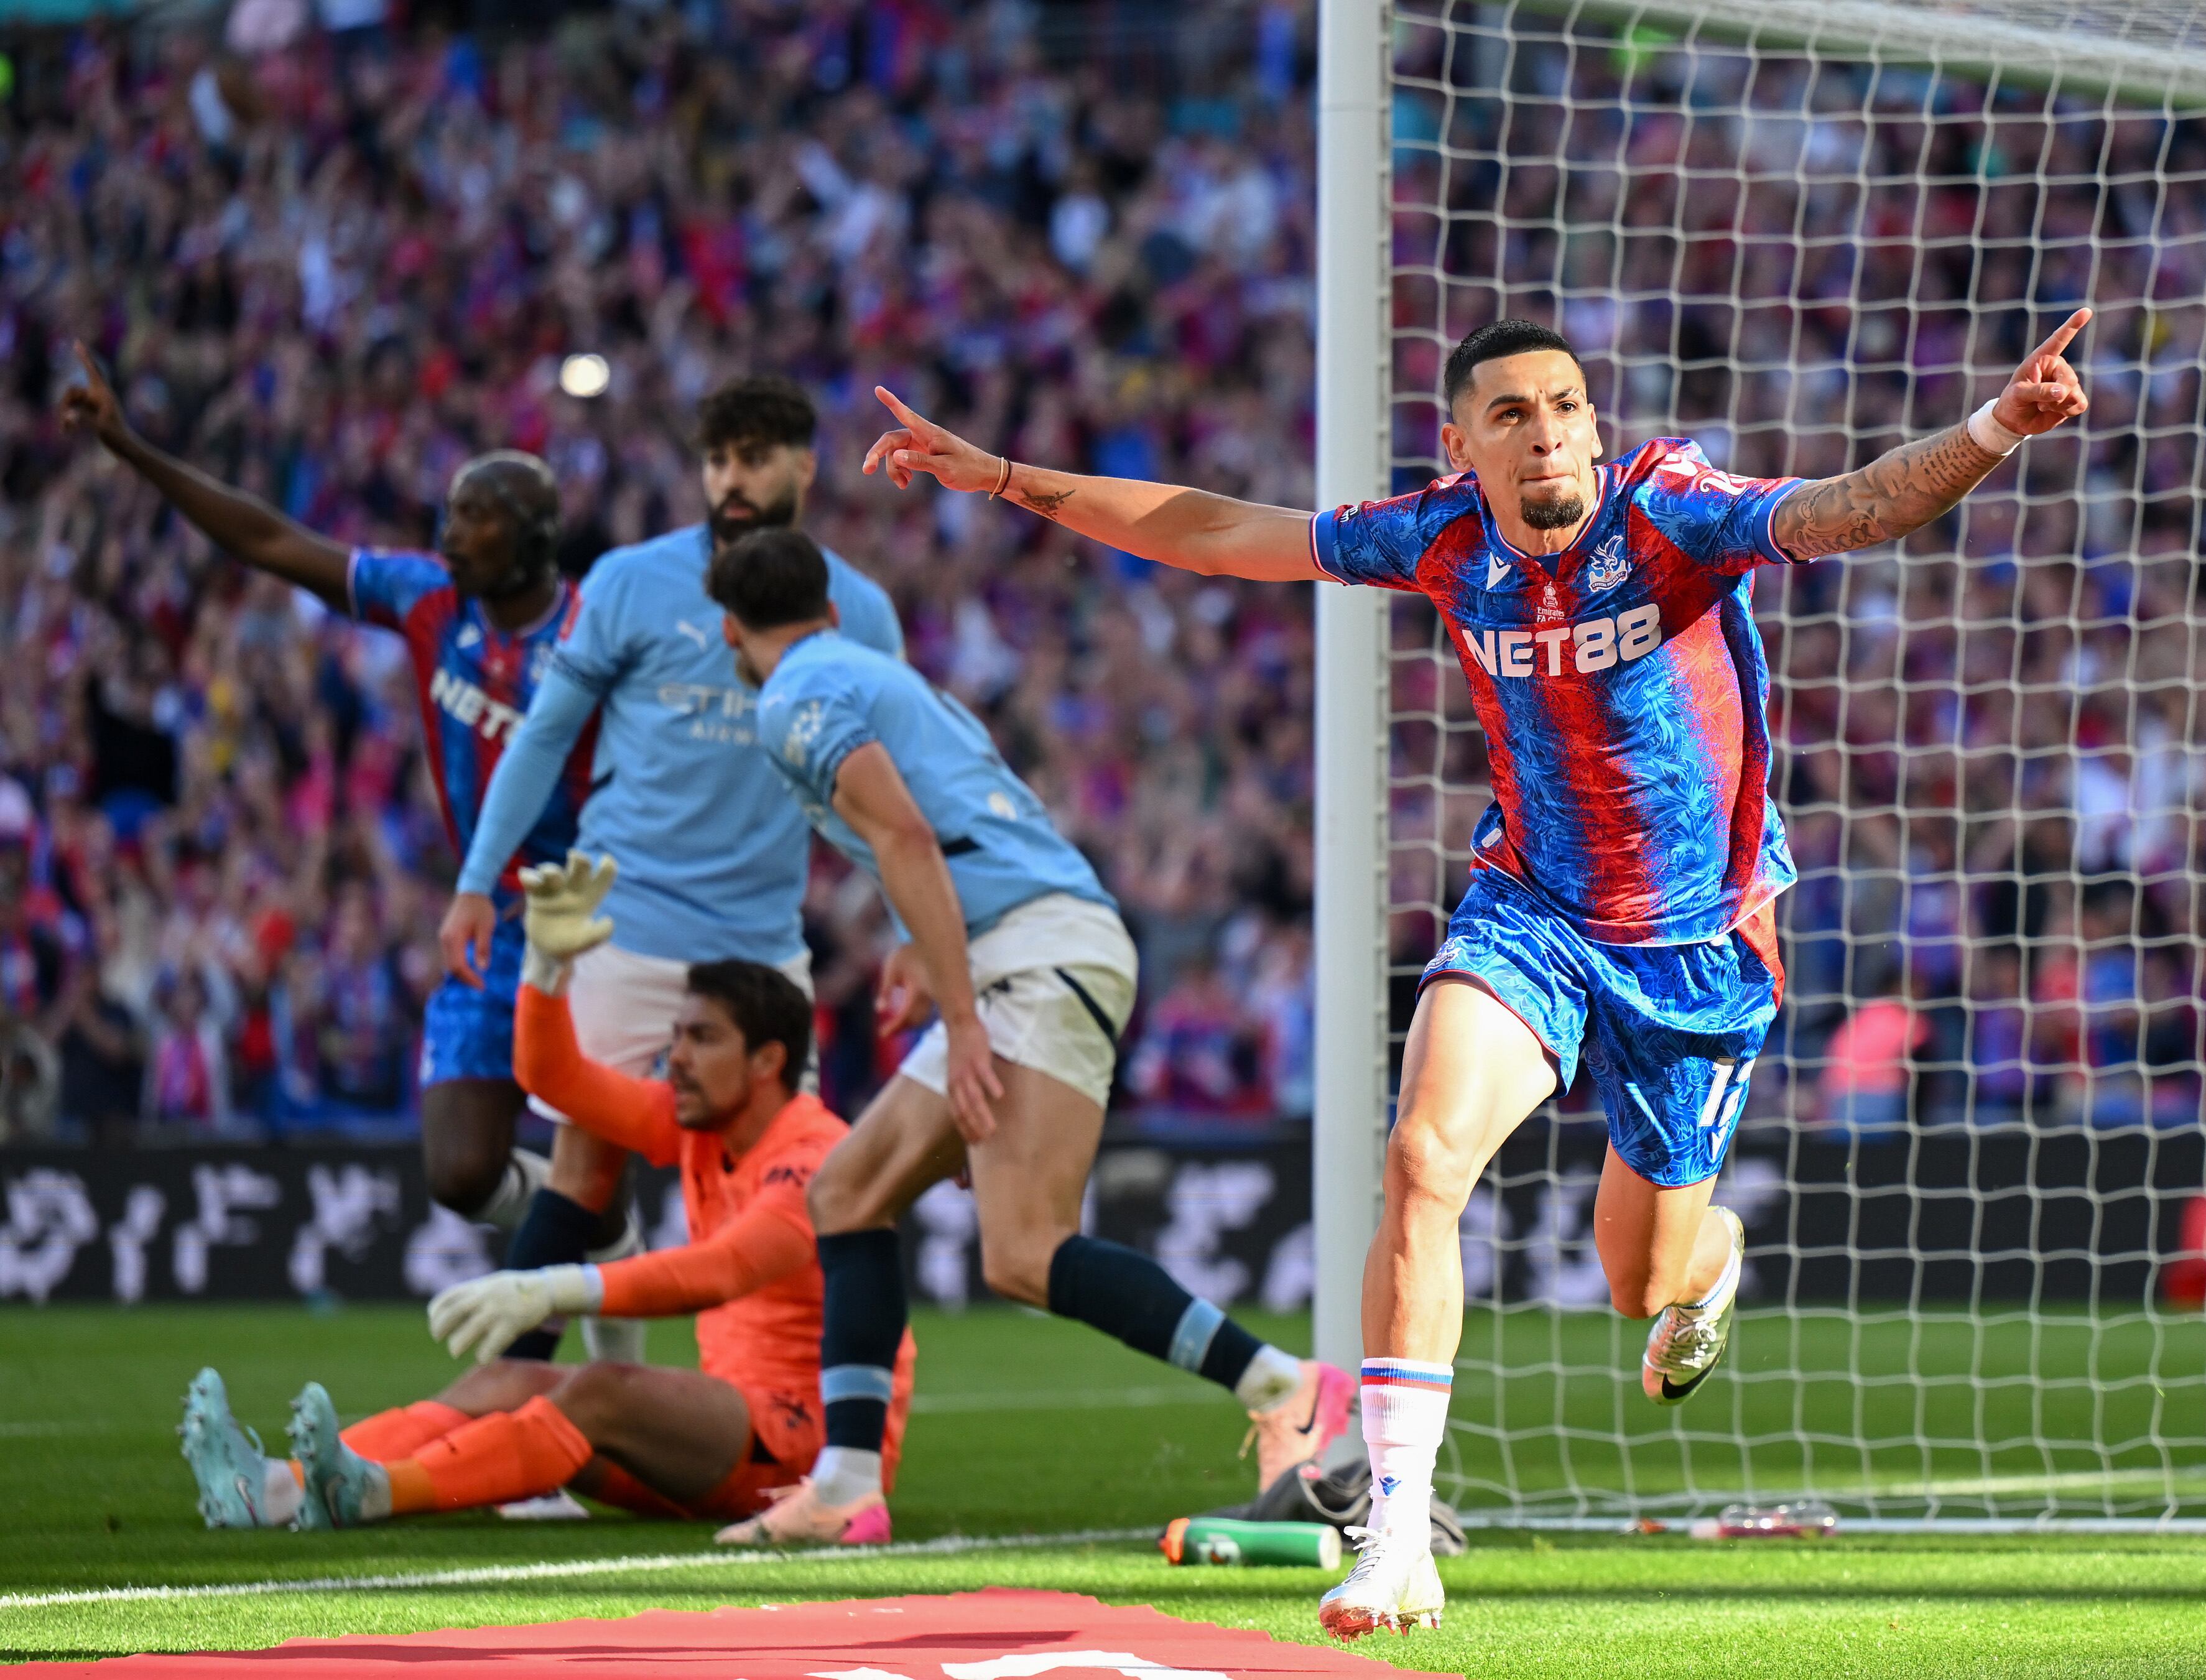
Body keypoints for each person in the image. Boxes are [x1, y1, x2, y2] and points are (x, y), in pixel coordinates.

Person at [858, 309, 2093, 1635]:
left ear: (1595, 426)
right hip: (1534, 910)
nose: (1546, 430)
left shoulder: (1669, 510)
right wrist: (997, 475)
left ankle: (1709, 1252)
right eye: (1510, 413)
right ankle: (1394, 1534)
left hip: (1699, 944)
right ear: (1460, 445)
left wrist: (1991, 430)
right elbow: (1213, 529)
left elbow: (1845, 511)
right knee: (1423, 1159)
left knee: (1640, 1281)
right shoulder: (1440, 536)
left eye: (1565, 405)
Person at [696, 529, 1350, 1548]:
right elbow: (967, 831)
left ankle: (1283, 1385)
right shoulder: (882, 675)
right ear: (826, 608)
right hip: (1026, 943)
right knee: (847, 1192)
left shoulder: (794, 698)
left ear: (731, 630)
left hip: (1034, 956)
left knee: (1022, 1251)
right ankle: (845, 1483)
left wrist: (963, 1023)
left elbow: (907, 836)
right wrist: (927, 954)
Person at [176, 856, 906, 1529]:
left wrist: (552, 1289)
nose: (673, 1056)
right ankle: (279, 1487)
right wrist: (548, 968)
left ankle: (374, 1491)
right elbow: (554, 1080)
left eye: (701, 1038)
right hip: (723, 1442)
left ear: (767, 1061)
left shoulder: (813, 1154)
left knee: (600, 1387)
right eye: (676, 1035)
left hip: (799, 1447)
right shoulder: (701, 1123)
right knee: (510, 1377)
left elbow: (721, 1270)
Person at [438, 375, 903, 1371]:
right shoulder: (629, 582)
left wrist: (908, 928)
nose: (733, 480)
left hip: (761, 953)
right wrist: (478, 878)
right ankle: (504, 1420)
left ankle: (815, 1443)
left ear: (803, 468)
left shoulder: (860, 613)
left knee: (798, 1189)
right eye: (718, 460)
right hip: (627, 931)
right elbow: (542, 734)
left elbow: (884, 798)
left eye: (755, 458)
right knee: (583, 1174)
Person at [58, 343, 579, 1230]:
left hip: (588, 926)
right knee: (460, 1172)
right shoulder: (429, 600)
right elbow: (269, 540)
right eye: (447, 517)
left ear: (531, 541)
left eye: (473, 520)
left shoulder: (594, 633)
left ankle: (595, 1277)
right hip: (485, 926)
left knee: (605, 1150)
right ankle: (595, 1223)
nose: (447, 536)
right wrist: (135, 450)